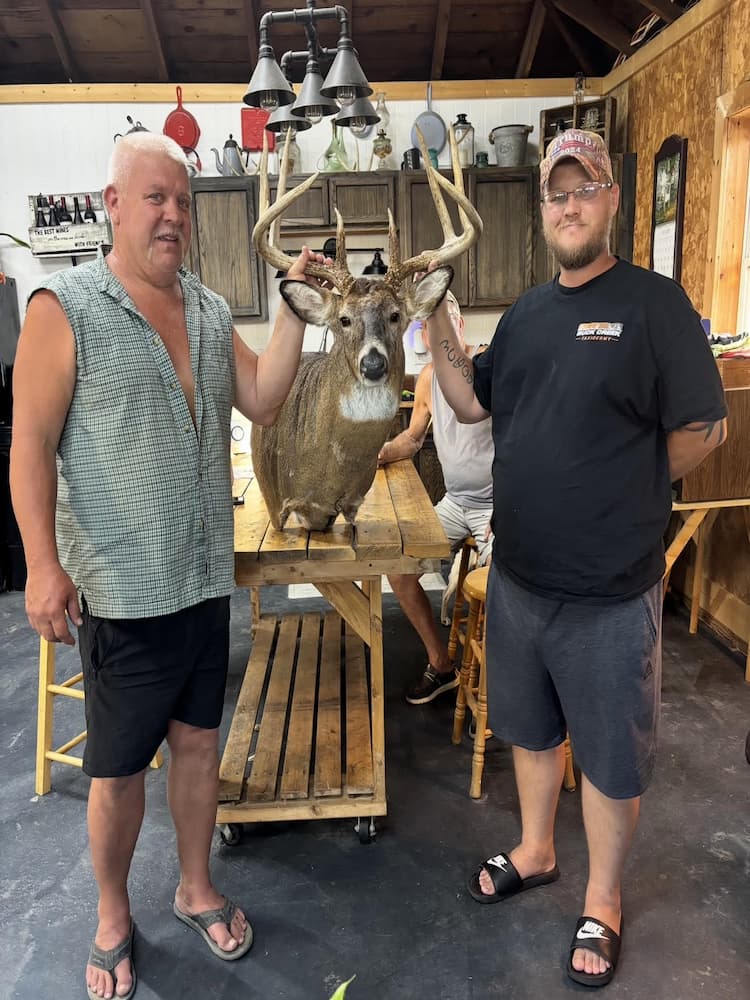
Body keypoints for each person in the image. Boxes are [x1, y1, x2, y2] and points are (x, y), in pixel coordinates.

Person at [9, 132, 329, 1000]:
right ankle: (113, 916)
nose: (172, 216)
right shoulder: (64, 308)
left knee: (197, 746)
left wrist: (293, 308)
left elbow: (264, 400)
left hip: (201, 580)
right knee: (117, 774)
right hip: (121, 590)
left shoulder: (211, 311)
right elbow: (30, 445)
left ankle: (195, 888)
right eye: (154, 198)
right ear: (112, 204)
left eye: (182, 202)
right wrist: (41, 565)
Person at [423, 129, 728, 988]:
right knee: (529, 728)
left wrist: (627, 485)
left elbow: (707, 428)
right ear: (543, 210)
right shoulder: (526, 315)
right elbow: (468, 400)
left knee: (610, 754)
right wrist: (435, 312)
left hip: (609, 589)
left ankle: (603, 897)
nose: (568, 206)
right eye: (556, 195)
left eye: (582, 190)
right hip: (521, 577)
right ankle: (535, 849)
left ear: (611, 200)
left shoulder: (655, 305)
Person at [377, 291, 493, 705]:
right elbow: (413, 438)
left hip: (496, 508)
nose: (434, 333)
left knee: (507, 585)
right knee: (399, 568)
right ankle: (441, 664)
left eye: (442, 323)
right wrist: (378, 454)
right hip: (455, 503)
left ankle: (503, 684)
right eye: (426, 327)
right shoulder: (427, 378)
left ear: (458, 325)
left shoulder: (487, 364)